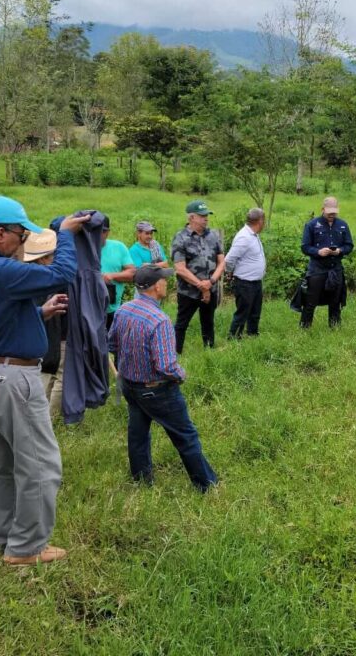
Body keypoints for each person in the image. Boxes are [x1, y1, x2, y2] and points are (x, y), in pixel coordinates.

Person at [0, 195, 89, 566]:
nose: (24, 243)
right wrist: (65, 234)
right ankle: (26, 548)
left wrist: (38, 312)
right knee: (40, 464)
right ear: (2, 234)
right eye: (23, 235)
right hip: (10, 377)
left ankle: (0, 536)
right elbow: (60, 274)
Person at [109, 265, 218, 492]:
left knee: (137, 432)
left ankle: (141, 478)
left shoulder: (123, 310)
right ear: (156, 286)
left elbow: (112, 345)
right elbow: (166, 366)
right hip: (156, 390)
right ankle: (207, 484)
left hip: (129, 385)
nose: (167, 283)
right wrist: (181, 374)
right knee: (186, 436)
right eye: (164, 281)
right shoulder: (160, 321)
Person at [22, 229, 69, 416]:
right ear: (42, 258)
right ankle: (47, 417)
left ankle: (42, 414)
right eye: (51, 255)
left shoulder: (22, 273)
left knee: (45, 371)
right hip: (47, 330)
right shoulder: (46, 277)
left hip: (35, 331)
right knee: (54, 373)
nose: (54, 258)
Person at [171, 200, 225, 354]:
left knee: (208, 322)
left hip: (211, 287)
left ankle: (209, 352)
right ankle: (175, 355)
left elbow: (222, 261)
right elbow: (180, 268)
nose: (206, 218)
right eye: (202, 216)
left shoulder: (213, 236)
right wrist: (201, 285)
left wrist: (211, 282)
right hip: (188, 292)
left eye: (207, 215)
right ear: (191, 218)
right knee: (182, 324)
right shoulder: (180, 238)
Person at [300, 196, 354, 329]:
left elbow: (349, 245)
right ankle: (304, 329)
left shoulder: (343, 224)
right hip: (317, 269)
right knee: (310, 301)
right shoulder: (312, 225)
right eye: (329, 212)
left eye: (334, 212)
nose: (332, 214)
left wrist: (340, 251)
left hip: (336, 268)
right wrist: (318, 252)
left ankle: (335, 328)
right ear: (322, 209)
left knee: (335, 301)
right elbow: (305, 247)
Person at [225, 207, 267, 339]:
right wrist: (230, 271)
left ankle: (252, 334)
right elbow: (229, 259)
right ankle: (233, 337)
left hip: (255, 282)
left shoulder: (253, 235)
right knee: (243, 312)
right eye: (264, 220)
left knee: (255, 311)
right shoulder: (244, 237)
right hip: (245, 283)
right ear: (260, 221)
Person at [101, 216, 136, 332]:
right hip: (87, 309)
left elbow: (132, 274)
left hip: (113, 308)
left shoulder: (118, 247)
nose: (99, 235)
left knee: (113, 344)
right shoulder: (81, 249)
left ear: (108, 232)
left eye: (103, 231)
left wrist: (112, 276)